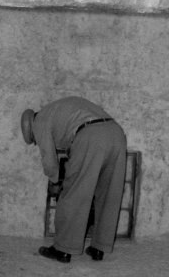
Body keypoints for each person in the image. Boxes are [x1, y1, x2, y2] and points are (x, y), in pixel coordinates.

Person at [20, 96, 127, 264]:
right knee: (109, 193)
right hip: (116, 133)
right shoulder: (58, 108)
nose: (37, 141)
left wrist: (55, 182)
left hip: (91, 135)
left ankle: (63, 249)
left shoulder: (39, 121)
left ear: (31, 126)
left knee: (73, 194)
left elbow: (49, 160)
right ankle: (100, 247)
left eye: (34, 139)